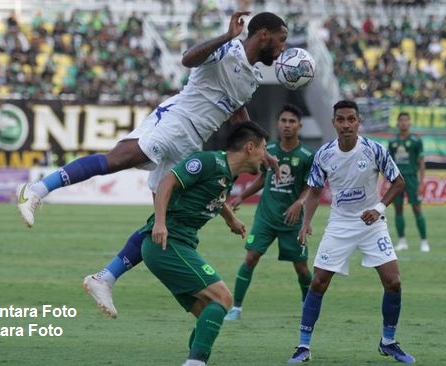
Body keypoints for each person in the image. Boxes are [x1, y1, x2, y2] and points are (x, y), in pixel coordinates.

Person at [16, 11, 288, 227]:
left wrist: (261, 150)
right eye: (281, 38)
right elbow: (188, 59)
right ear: (264, 34)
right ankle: (37, 190)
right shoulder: (228, 50)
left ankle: (104, 278)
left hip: (193, 141)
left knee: (169, 216)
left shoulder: (251, 78)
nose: (283, 47)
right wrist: (225, 37)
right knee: (118, 160)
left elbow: (237, 114)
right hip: (176, 121)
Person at [288, 100, 415, 364]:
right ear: (334, 122)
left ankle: (388, 342)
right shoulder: (323, 154)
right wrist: (306, 221)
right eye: (341, 120)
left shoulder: (374, 150)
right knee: (318, 282)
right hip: (340, 224)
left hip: (372, 224)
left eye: (351, 119)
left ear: (358, 122)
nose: (346, 125)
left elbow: (398, 182)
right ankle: (303, 347)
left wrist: (379, 208)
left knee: (393, 281)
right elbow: (313, 191)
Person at [141, 122, 268, 366]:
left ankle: (196, 360)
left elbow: (216, 199)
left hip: (179, 245)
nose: (265, 156)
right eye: (263, 149)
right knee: (223, 298)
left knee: (208, 314)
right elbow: (167, 182)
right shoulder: (208, 162)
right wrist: (160, 223)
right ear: (250, 147)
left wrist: (231, 219)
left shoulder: (226, 175)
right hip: (168, 243)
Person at [224, 104, 314, 321]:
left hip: (292, 220)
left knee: (301, 268)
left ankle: (308, 304)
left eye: (292, 121)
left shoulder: (307, 155)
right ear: (278, 124)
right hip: (266, 217)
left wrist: (299, 203)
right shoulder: (268, 151)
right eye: (283, 121)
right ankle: (236, 308)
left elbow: (311, 186)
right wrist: (242, 196)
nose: (287, 125)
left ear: (299, 126)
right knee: (251, 258)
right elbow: (263, 178)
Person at [388, 112, 429, 253]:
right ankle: (402, 241)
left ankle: (424, 241)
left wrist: (421, 182)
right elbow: (389, 163)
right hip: (396, 180)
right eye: (401, 120)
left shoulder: (416, 141)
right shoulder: (392, 143)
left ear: (409, 123)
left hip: (411, 179)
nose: (404, 123)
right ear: (398, 123)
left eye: (406, 120)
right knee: (398, 210)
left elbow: (421, 162)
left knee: (417, 209)